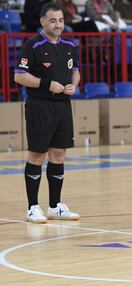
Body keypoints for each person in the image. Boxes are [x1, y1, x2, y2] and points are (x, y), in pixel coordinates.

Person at [14, 2, 80, 223]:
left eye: (61, 20)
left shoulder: (70, 46)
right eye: (53, 20)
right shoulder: (31, 46)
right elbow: (19, 76)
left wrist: (74, 85)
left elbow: (76, 72)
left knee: (59, 154)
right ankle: (33, 207)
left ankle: (55, 206)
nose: (58, 24)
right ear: (43, 22)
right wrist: (45, 84)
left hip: (63, 106)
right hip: (40, 106)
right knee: (37, 155)